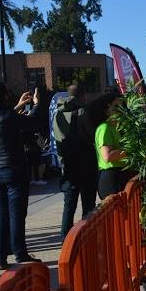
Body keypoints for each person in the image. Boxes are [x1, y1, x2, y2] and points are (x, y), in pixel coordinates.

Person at [0, 82, 43, 270]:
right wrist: (36, 104)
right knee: (17, 214)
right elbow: (32, 121)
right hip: (13, 170)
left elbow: (1, 117)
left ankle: (0, 257)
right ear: (2, 96)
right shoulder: (7, 117)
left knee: (1, 213)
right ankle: (20, 253)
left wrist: (18, 106)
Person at [54, 84, 98, 239]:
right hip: (86, 162)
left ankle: (65, 238)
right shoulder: (83, 113)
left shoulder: (57, 113)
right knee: (88, 203)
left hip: (68, 164)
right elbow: (92, 136)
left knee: (69, 205)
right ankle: (87, 235)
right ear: (83, 96)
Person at [91, 93, 132, 199]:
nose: (120, 110)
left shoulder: (119, 128)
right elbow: (107, 156)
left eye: (122, 106)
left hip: (121, 173)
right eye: (116, 107)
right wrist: (131, 150)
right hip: (111, 177)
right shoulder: (104, 128)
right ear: (106, 110)